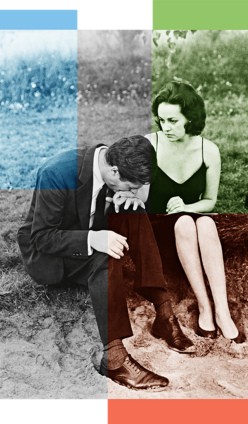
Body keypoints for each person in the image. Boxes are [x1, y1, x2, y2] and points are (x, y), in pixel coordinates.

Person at [17, 135, 195, 393]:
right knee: (105, 253)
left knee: (135, 211)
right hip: (50, 255)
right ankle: (114, 358)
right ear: (113, 171)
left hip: (87, 229)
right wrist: (95, 238)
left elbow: (114, 199)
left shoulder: (114, 163)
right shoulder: (56, 172)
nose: (135, 191)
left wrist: (129, 199)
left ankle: (164, 314)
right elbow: (41, 237)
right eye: (131, 186)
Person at [141, 81, 245, 343]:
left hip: (193, 225)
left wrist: (187, 207)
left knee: (205, 223)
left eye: (174, 120)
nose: (166, 127)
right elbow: (136, 196)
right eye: (162, 120)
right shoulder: (148, 145)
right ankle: (204, 308)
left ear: (191, 117)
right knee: (186, 223)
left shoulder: (208, 150)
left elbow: (210, 200)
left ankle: (221, 311)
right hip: (159, 227)